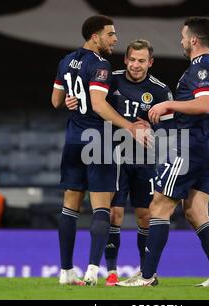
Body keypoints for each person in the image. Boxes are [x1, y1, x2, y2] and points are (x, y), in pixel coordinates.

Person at [116, 17, 209, 287]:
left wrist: (169, 104)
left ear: (193, 40)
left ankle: (146, 276)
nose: (181, 41)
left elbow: (202, 105)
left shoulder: (200, 68)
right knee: (196, 212)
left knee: (158, 206)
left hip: (190, 148)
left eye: (183, 37)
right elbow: (199, 109)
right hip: (207, 147)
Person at [51, 15, 150, 286]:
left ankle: (66, 272)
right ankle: (93, 271)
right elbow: (98, 104)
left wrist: (72, 100)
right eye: (111, 34)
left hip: (72, 140)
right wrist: (130, 126)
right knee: (101, 208)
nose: (115, 39)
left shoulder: (65, 61)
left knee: (69, 206)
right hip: (98, 142)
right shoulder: (101, 65)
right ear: (95, 36)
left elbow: (56, 100)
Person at [67, 39, 173, 286]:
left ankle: (146, 273)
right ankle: (112, 271)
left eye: (142, 61)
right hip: (111, 157)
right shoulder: (109, 79)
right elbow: (87, 101)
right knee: (114, 213)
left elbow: (170, 129)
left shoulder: (160, 91)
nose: (136, 65)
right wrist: (71, 101)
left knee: (145, 216)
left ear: (150, 62)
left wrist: (153, 128)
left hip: (145, 160)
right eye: (132, 59)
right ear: (125, 59)